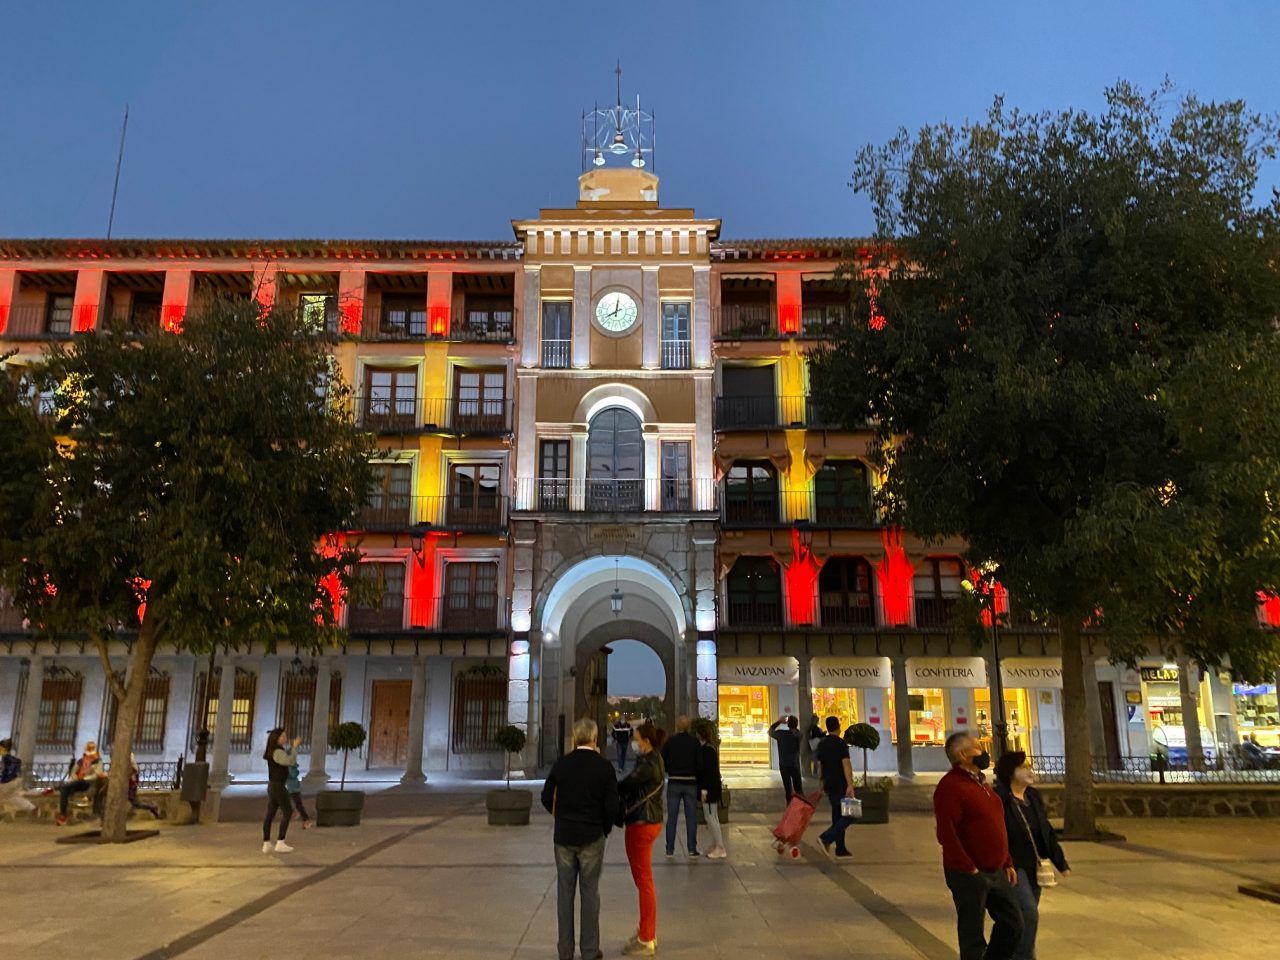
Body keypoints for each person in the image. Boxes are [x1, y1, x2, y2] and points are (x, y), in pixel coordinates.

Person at [933, 732, 1023, 960]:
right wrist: (968, 868)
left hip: (996, 869)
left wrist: (1006, 861)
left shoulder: (983, 785)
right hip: (969, 872)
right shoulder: (950, 786)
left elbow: (997, 826)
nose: (984, 751)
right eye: (977, 747)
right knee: (972, 933)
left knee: (1013, 923)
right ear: (963, 755)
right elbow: (947, 833)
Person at [541, 717, 621, 960]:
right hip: (591, 837)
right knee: (590, 894)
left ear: (575, 738)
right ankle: (589, 950)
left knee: (564, 894)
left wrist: (560, 816)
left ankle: (565, 951)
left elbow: (546, 797)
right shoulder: (604, 767)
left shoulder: (562, 764)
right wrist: (604, 829)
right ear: (595, 738)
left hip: (564, 837)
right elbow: (612, 805)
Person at [994, 751, 1069, 960]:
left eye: (1029, 766)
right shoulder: (1000, 798)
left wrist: (1060, 862)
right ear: (1011, 772)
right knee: (1028, 913)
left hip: (1033, 864)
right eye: (1024, 767)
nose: (1030, 770)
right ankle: (1024, 956)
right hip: (1012, 864)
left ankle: (1003, 952)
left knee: (1021, 917)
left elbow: (1045, 830)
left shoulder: (1033, 796)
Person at [618, 721, 666, 956]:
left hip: (643, 822)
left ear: (646, 741)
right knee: (642, 880)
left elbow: (627, 784)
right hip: (644, 821)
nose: (633, 743)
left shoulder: (649, 764)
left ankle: (647, 936)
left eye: (636, 738)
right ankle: (646, 931)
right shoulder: (650, 759)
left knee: (644, 880)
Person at [814, 716, 856, 859]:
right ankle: (826, 838)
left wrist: (821, 784)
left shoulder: (822, 744)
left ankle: (840, 848)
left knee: (837, 814)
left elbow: (819, 766)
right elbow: (846, 764)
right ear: (838, 726)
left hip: (829, 783)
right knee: (851, 815)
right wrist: (850, 784)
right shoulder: (840, 744)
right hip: (841, 783)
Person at [660, 714, 701, 858]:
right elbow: (699, 763)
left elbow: (662, 758)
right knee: (691, 817)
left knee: (672, 817)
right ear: (689, 727)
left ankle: (669, 849)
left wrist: (669, 769)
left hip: (674, 782)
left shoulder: (671, 742)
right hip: (690, 782)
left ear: (677, 726)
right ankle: (691, 848)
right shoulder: (694, 742)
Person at [262, 728, 300, 853]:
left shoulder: (274, 750)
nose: (285, 738)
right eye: (283, 736)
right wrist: (294, 747)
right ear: (276, 738)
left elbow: (286, 758)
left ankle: (267, 843)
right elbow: (289, 760)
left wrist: (292, 749)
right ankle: (280, 842)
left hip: (273, 785)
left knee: (270, 814)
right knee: (287, 812)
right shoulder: (277, 751)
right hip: (278, 786)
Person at [695, 722, 727, 859]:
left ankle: (720, 847)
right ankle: (716, 845)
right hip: (712, 788)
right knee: (712, 817)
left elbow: (706, 773)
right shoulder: (711, 749)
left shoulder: (706, 751)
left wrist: (703, 790)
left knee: (711, 817)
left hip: (708, 789)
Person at [55, 741, 106, 825]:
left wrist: (84, 777)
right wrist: (76, 777)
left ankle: (58, 789)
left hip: (88, 782)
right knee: (65, 789)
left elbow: (97, 774)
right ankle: (63, 815)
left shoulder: (97, 761)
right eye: (88, 748)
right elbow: (73, 772)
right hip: (78, 781)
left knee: (65, 787)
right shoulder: (81, 761)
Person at [769, 715, 804, 803]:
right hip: (795, 764)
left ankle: (790, 807)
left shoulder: (781, 734)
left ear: (787, 724)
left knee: (788, 789)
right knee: (798, 789)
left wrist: (779, 722)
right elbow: (797, 731)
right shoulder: (799, 735)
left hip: (784, 764)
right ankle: (800, 807)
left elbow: (770, 731)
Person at [0, 738, 34, 815]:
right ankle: (32, 808)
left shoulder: (6, 758)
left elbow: (7, 771)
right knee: (12, 798)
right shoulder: (13, 759)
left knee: (9, 798)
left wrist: (4, 782)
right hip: (15, 781)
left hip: (8, 782)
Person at [126, 755, 161, 819]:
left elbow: (133, 780)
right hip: (129, 789)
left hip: (130, 789)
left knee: (136, 804)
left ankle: (152, 807)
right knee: (135, 804)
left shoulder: (132, 769)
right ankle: (152, 807)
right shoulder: (132, 769)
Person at [285, 752, 313, 830]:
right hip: (292, 787)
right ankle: (298, 814)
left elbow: (292, 774)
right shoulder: (291, 766)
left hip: (292, 788)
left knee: (298, 804)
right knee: (296, 803)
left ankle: (306, 819)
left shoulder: (289, 766)